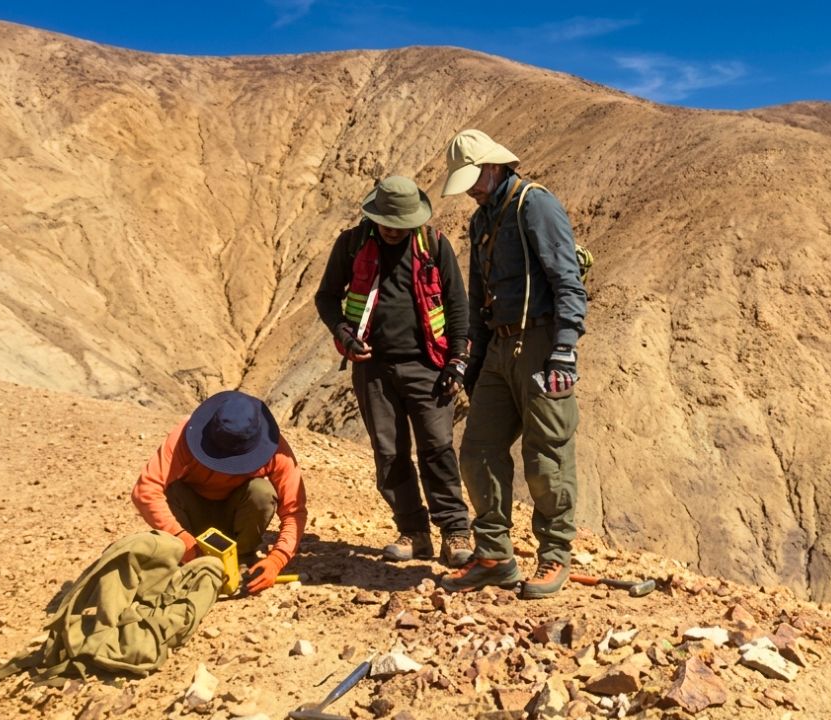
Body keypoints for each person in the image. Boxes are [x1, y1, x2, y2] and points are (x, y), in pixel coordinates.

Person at [438, 129, 587, 598]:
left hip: (541, 343)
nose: (471, 191)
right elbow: (479, 296)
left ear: (494, 166)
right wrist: (473, 359)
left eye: (473, 180)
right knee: (477, 451)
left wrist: (565, 347)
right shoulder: (481, 220)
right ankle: (494, 556)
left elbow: (567, 280)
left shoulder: (534, 204)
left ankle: (554, 555)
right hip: (499, 348)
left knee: (546, 456)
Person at [314, 175, 474, 568]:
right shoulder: (352, 244)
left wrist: (457, 360)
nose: (391, 230)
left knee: (437, 447)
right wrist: (344, 334)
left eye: (399, 224)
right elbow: (326, 297)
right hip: (373, 369)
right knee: (389, 453)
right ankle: (413, 531)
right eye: (386, 222)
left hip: (429, 365)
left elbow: (457, 304)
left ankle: (455, 531)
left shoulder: (433, 245)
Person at [131, 391, 306, 594]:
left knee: (261, 492)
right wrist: (184, 541)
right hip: (192, 521)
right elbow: (145, 490)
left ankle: (241, 556)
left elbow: (294, 510)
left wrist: (277, 559)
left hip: (236, 519)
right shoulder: (183, 436)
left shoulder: (277, 451)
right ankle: (186, 559)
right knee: (172, 490)